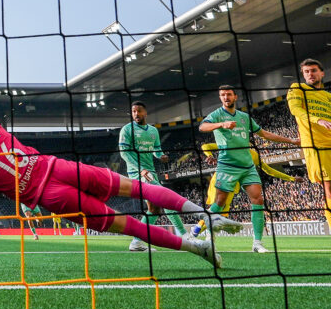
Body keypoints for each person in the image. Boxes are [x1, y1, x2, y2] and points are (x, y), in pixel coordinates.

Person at [0, 66, 242, 267]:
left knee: (131, 225)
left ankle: (196, 248)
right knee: (137, 189)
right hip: (58, 167)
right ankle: (206, 216)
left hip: (51, 195)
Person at [199, 85, 300, 253]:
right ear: (220, 98)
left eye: (229, 94)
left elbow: (265, 134)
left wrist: (292, 141)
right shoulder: (216, 114)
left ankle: (257, 243)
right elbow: (202, 127)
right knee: (219, 203)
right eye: (222, 95)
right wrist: (221, 124)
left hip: (247, 166)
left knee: (258, 200)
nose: (226, 97)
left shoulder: (244, 117)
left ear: (235, 97)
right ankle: (207, 233)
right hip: (227, 165)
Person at [118, 101, 186, 252]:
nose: (136, 114)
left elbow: (156, 149)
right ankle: (184, 235)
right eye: (134, 111)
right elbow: (124, 153)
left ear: (145, 113)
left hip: (151, 172)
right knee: (165, 197)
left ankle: (136, 241)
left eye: (139, 111)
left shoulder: (153, 131)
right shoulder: (127, 129)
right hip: (137, 172)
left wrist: (161, 156)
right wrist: (140, 169)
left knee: (155, 210)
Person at [191, 143, 296, 238]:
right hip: (222, 181)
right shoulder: (232, 145)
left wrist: (291, 178)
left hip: (230, 185)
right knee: (218, 212)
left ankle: (197, 232)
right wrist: (209, 155)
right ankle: (202, 234)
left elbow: (269, 170)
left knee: (219, 214)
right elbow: (205, 146)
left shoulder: (253, 155)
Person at [286, 58, 331, 232]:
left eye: (313, 70)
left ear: (322, 73)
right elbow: (295, 110)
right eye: (306, 71)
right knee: (328, 188)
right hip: (316, 146)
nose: (310, 74)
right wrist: (317, 119)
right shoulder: (298, 88)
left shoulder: (328, 96)